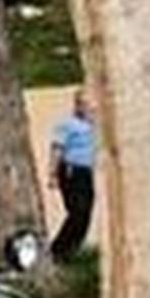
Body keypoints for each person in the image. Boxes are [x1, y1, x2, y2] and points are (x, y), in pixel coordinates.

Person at [51, 88, 97, 259]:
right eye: (84, 105)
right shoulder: (67, 125)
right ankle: (57, 249)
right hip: (71, 171)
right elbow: (57, 149)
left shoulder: (93, 126)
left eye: (90, 105)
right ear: (77, 106)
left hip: (86, 173)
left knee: (86, 213)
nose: (88, 108)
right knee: (77, 211)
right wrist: (53, 174)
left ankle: (73, 249)